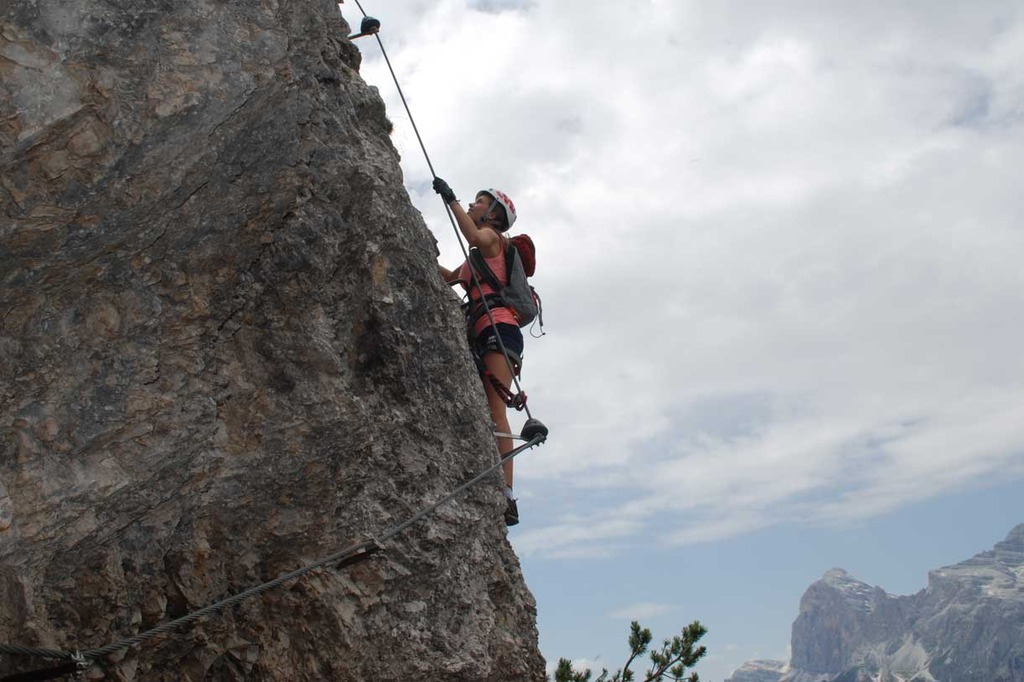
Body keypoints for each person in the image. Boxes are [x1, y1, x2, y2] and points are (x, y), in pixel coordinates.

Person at [433, 177, 524, 526]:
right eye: (471, 201)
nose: (473, 205)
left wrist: (452, 200)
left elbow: (473, 235)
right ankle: (502, 487)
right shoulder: (477, 257)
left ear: (494, 215)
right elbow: (450, 277)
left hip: (499, 329)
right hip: (487, 329)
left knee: (495, 408)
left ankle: (507, 494)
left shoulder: (492, 241)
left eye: (479, 202)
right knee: (488, 408)